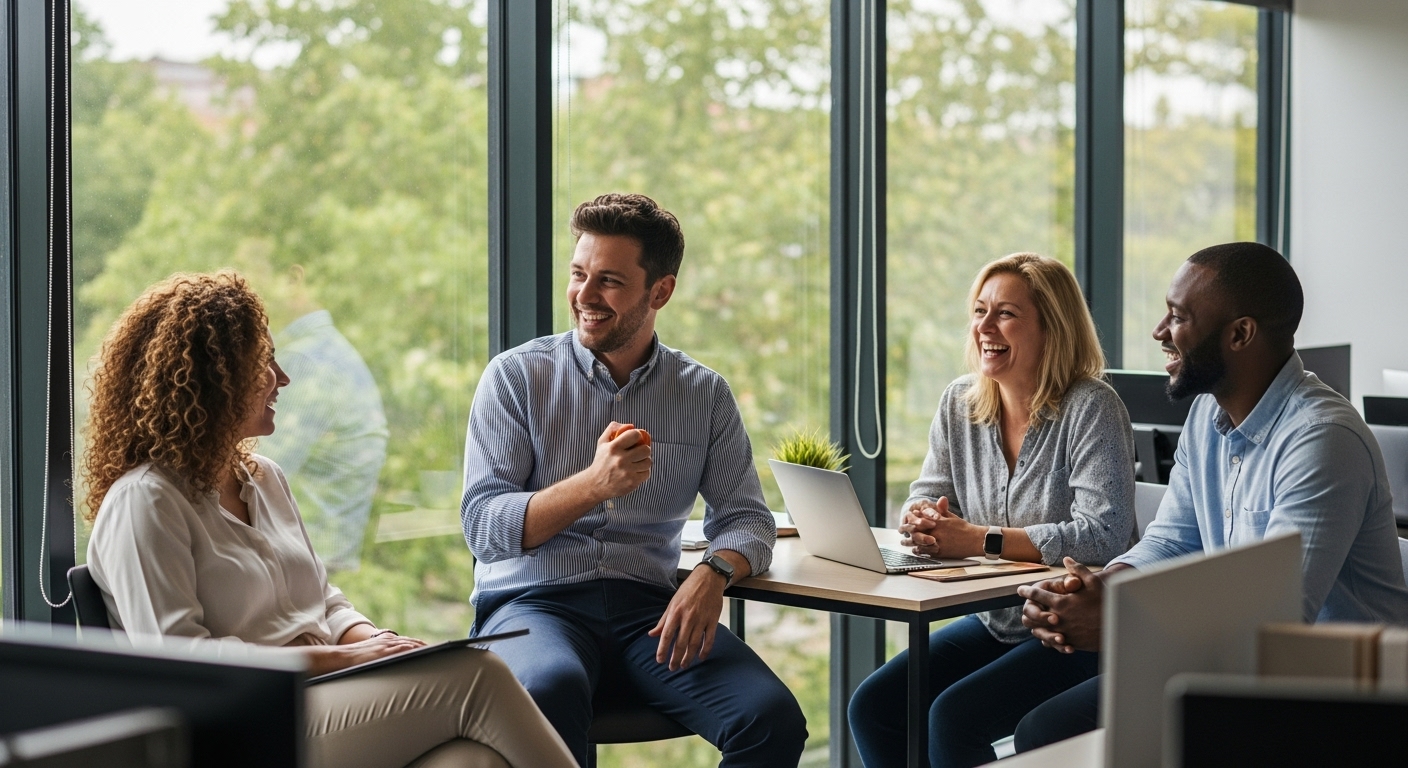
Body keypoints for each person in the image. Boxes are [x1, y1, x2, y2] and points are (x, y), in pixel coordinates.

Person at [84, 272, 576, 768]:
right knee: (477, 676)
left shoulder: (263, 478)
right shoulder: (145, 502)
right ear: (213, 379)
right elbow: (180, 662)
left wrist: (377, 642)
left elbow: (323, 600)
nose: (282, 377)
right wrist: (342, 659)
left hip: (322, 696)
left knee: (471, 762)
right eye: (262, 363)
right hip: (239, 726)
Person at [1013, 242, 1408, 752]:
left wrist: (1120, 618)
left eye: (1178, 318)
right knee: (1042, 728)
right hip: (1237, 663)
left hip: (1338, 692)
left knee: (1052, 732)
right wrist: (1102, 588)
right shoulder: (1207, 417)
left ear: (1240, 333)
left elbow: (1281, 616)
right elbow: (1174, 542)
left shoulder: (1322, 439)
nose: (1159, 332)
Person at [462, 193, 808, 767]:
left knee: (769, 719)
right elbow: (482, 527)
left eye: (610, 281)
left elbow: (747, 518)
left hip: (647, 613)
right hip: (532, 604)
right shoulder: (515, 379)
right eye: (578, 275)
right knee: (546, 692)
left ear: (660, 292)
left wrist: (713, 573)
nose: (585, 297)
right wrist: (592, 485)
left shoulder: (703, 394)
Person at [847, 253, 1136, 768]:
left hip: (1068, 625)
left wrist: (981, 539)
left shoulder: (1092, 407)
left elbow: (1104, 534)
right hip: (995, 618)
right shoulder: (960, 402)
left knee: (953, 719)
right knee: (874, 707)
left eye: (1005, 313)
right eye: (979, 311)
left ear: (1053, 327)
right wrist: (923, 519)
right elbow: (928, 491)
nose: (984, 326)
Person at [258, 263, 389, 573]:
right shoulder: (330, 351)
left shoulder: (308, 360)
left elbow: (256, 472)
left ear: (293, 277)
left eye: (254, 273)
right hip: (313, 562)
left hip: (302, 563)